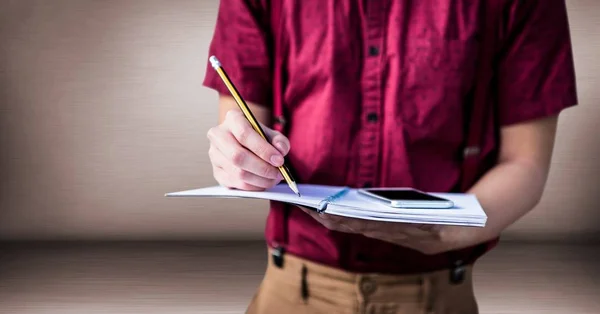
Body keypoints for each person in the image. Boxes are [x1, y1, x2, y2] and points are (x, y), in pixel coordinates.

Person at [203, 0, 578, 313]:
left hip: (439, 295)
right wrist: (239, 155)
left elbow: (525, 163)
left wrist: (444, 233)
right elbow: (241, 131)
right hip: (289, 293)